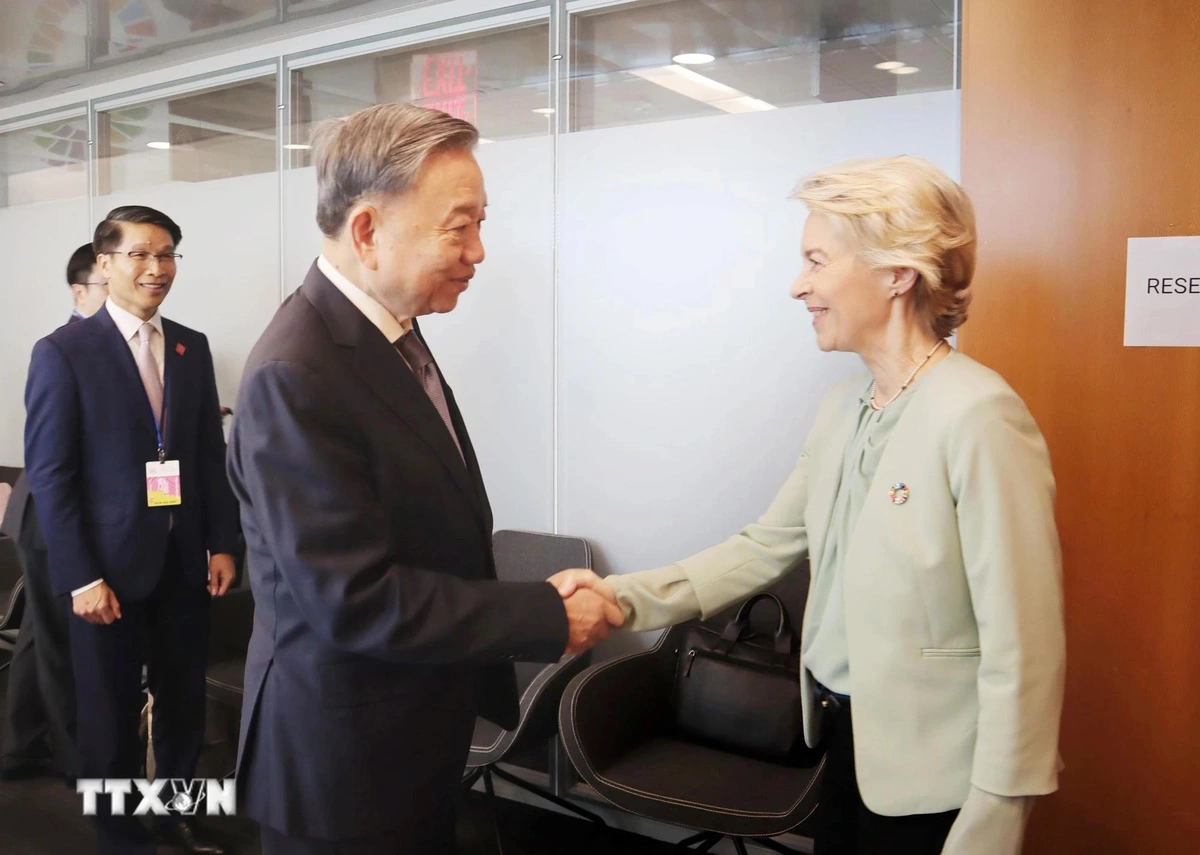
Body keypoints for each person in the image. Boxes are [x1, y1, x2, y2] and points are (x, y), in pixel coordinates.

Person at [555, 156, 1066, 855]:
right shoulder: (842, 407)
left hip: (938, 780)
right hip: (846, 747)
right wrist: (619, 598)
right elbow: (764, 545)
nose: (799, 285)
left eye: (816, 260)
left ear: (897, 272)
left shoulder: (979, 416)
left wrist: (1000, 810)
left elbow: (1026, 644)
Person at [226, 103, 623, 855]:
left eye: (482, 223)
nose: (478, 250)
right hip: (341, 765)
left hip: (407, 730)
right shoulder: (296, 374)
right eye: (459, 225)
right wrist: (542, 613)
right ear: (369, 229)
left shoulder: (392, 331)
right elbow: (355, 598)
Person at [23, 207, 240, 855]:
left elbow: (207, 454)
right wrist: (80, 575)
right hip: (106, 573)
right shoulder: (64, 352)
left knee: (182, 703)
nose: (157, 268)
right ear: (106, 263)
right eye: (141, 254)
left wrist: (224, 540)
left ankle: (173, 817)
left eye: (168, 254)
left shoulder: (190, 345)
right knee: (109, 711)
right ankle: (118, 837)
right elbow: (52, 476)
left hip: (182, 559)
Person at [1, 242, 107, 781]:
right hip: (47, 519)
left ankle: (17, 747)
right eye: (105, 285)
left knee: (41, 637)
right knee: (61, 642)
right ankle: (75, 762)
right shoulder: (62, 350)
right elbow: (50, 459)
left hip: (57, 515)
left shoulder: (107, 347)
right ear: (79, 291)